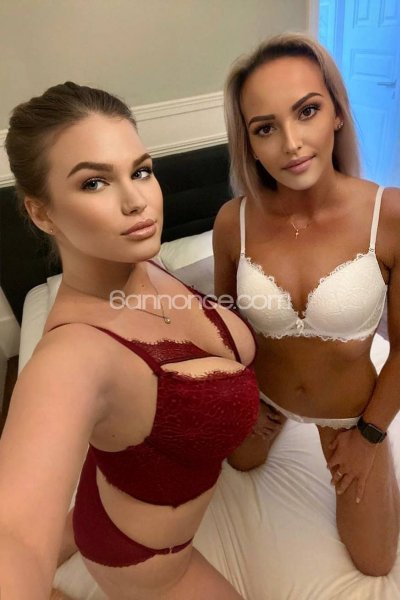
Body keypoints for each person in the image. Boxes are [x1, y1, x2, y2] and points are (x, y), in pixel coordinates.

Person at [0, 82, 261, 599]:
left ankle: (74, 529)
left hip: (116, 486)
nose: (137, 201)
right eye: (94, 183)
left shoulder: (140, 257)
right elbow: (14, 536)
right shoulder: (71, 357)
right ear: (42, 213)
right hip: (145, 558)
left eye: (141, 171)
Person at [213, 32, 400, 577]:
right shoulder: (233, 221)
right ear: (249, 143)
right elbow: (225, 325)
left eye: (307, 111)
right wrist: (240, 397)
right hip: (264, 397)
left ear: (337, 113)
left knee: (375, 562)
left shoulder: (388, 216)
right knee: (239, 462)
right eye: (265, 128)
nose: (291, 144)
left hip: (349, 416)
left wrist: (369, 435)